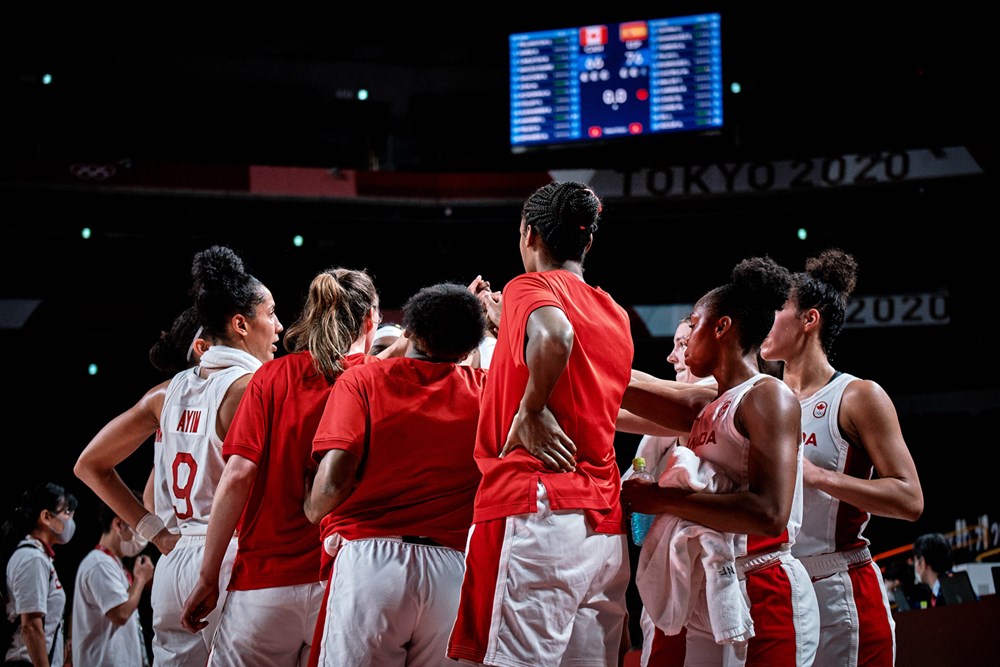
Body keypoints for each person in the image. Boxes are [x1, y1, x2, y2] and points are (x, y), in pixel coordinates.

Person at [447, 181, 634, 667]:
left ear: (528, 233)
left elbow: (554, 334)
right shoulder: (614, 312)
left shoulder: (527, 287)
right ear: (587, 242)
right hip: (602, 526)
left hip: (537, 508)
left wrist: (530, 409)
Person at [74, 244, 283, 667]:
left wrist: (155, 533)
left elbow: (89, 465)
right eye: (272, 313)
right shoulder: (254, 389)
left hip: (175, 560)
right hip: (232, 557)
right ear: (241, 324)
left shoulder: (165, 393)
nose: (279, 327)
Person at [622, 256, 820, 666]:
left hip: (764, 584)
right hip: (711, 585)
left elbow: (770, 513)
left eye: (692, 326)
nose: (684, 341)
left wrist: (662, 500)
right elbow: (626, 387)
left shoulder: (768, 395)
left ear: (722, 327)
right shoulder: (708, 404)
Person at [180, 267, 384, 667]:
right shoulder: (380, 382)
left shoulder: (271, 377)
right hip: (344, 587)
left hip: (264, 585)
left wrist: (208, 577)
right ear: (370, 320)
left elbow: (238, 475)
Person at [306, 281, 488, 666]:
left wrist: (311, 507)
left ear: (411, 331)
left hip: (372, 562)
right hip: (452, 571)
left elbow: (334, 480)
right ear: (471, 346)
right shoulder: (487, 390)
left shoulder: (363, 380)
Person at [759, 247, 923, 667]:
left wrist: (818, 477)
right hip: (779, 587)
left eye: (776, 308)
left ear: (809, 320)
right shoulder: (764, 398)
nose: (763, 318)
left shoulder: (856, 395)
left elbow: (910, 499)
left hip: (840, 589)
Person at [621, 316, 717, 667]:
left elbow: (618, 402)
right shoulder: (662, 428)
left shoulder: (720, 396)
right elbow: (614, 410)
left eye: (682, 345)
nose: (672, 357)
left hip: (718, 577)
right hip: (670, 578)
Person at [72, 492, 154, 666]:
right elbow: (120, 614)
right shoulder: (99, 564)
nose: (143, 536)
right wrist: (140, 579)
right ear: (119, 524)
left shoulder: (113, 563)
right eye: (139, 528)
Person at [2, 482, 77, 666]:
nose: (70, 520)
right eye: (66, 512)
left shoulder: (40, 557)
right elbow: (31, 627)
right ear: (46, 516)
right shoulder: (31, 558)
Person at [912, 533, 953, 608]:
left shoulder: (949, 594)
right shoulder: (937, 592)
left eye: (915, 561)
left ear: (923, 562)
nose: (915, 567)